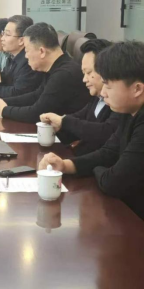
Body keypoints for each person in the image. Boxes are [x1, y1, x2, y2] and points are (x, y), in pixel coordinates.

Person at [39, 41, 144, 220]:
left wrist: (99, 169)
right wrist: (65, 165)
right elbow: (108, 152)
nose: (103, 93)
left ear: (137, 89)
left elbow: (113, 182)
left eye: (108, 86)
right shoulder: (130, 112)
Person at [0, 23, 91, 123]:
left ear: (42, 51)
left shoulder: (63, 74)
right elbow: (36, 95)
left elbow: (37, 113)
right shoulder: (54, 67)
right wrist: (2, 101)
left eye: (27, 51)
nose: (26, 56)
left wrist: (3, 110)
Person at [40, 39, 120, 156]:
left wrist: (64, 121)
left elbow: (105, 132)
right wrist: (58, 125)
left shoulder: (120, 103)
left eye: (89, 72)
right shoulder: (96, 97)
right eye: (84, 73)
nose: (84, 79)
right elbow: (80, 120)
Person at [0, 15, 43, 98]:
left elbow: (18, 92)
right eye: (3, 34)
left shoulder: (28, 61)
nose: (2, 38)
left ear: (21, 40)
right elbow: (6, 82)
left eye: (7, 35)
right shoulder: (12, 57)